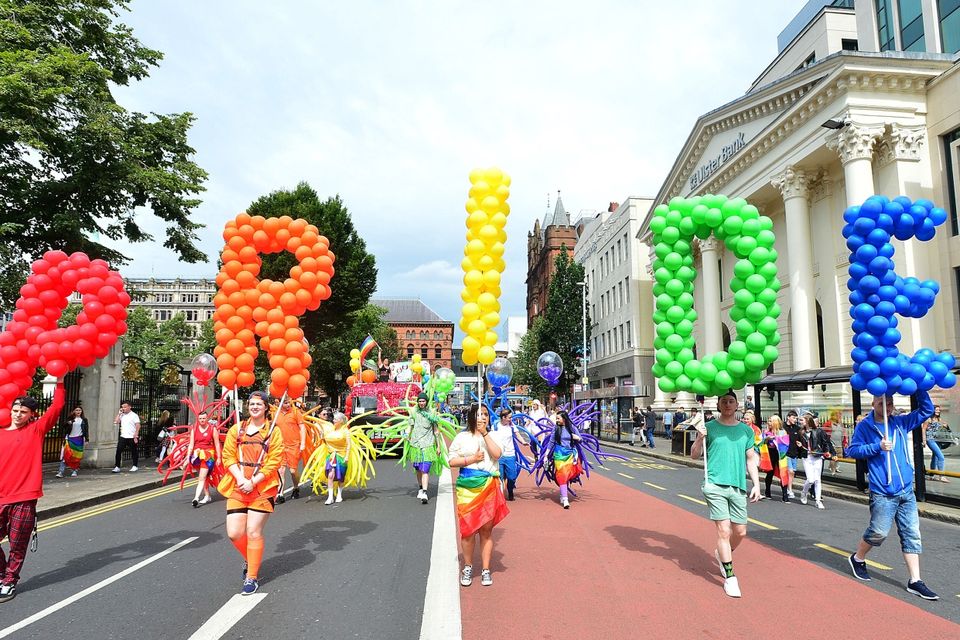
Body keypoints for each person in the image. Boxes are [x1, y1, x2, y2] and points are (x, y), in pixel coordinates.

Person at [846, 391, 938, 600]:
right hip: (883, 492)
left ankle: (915, 580)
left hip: (906, 489)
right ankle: (858, 558)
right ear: (873, 404)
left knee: (912, 534)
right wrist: (876, 447)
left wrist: (920, 389)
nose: (887, 407)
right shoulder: (865, 426)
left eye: (889, 403)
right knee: (878, 532)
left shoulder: (900, 422)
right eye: (882, 403)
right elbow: (852, 450)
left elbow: (926, 411)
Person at [690, 390, 761, 599]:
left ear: (737, 405)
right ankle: (730, 576)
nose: (728, 404)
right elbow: (694, 455)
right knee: (723, 530)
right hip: (714, 484)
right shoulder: (709, 428)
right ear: (719, 405)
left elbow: (750, 459)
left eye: (731, 401)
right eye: (724, 401)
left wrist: (756, 484)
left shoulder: (746, 432)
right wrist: (700, 437)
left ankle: (722, 555)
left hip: (737, 486)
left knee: (740, 532)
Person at [0, 379, 65, 603]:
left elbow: (56, 408)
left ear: (31, 415)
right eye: (15, 410)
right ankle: (2, 575)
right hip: (0, 497)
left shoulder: (35, 430)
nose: (18, 414)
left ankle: (9, 581)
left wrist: (60, 382)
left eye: (23, 411)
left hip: (25, 497)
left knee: (17, 544)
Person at [219, 391, 284, 596]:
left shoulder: (274, 432)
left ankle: (252, 577)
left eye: (258, 404)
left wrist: (253, 481)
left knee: (254, 532)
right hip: (238, 486)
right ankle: (250, 557)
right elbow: (228, 456)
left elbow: (274, 460)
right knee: (234, 533)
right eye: (251, 404)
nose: (254, 407)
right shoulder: (237, 430)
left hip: (262, 488)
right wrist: (240, 479)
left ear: (266, 407)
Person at [448, 404, 507, 587]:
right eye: (478, 414)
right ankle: (468, 566)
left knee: (486, 531)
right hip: (467, 488)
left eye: (485, 414)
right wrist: (471, 460)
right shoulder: (461, 437)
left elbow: (497, 455)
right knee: (467, 531)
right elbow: (451, 461)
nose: (482, 417)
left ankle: (486, 570)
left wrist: (485, 434)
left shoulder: (494, 435)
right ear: (471, 416)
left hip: (488, 487)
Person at [184, 411, 222, 507]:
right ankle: (207, 495)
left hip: (208, 456)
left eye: (204, 418)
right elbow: (191, 444)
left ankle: (196, 498)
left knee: (202, 477)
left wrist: (219, 457)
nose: (202, 420)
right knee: (204, 478)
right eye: (200, 418)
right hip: (196, 456)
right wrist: (188, 457)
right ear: (198, 419)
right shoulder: (194, 429)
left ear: (207, 418)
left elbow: (217, 444)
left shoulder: (212, 429)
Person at [796, 416, 835, 509]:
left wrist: (828, 452)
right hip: (807, 457)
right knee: (810, 479)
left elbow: (825, 442)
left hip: (817, 456)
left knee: (817, 479)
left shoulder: (819, 431)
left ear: (808, 422)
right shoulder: (801, 432)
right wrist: (800, 446)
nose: (800, 422)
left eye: (802, 420)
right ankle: (804, 492)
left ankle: (818, 501)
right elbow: (797, 445)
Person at [409, 393, 441, 504]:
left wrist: (438, 446)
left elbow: (436, 431)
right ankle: (421, 488)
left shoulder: (432, 414)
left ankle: (425, 493)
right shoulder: (414, 413)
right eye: (420, 401)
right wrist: (407, 436)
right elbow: (411, 427)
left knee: (425, 469)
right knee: (418, 469)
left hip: (427, 445)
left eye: (423, 401)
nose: (421, 403)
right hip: (415, 445)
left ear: (426, 402)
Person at [275, 396, 306, 504]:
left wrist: (302, 443)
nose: (288, 405)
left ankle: (296, 487)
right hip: (280, 446)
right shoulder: (275, 414)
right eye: (285, 403)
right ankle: (280, 494)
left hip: (294, 445)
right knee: (281, 470)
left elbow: (302, 427)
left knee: (293, 471)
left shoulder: (295, 412)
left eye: (288, 402)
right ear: (278, 403)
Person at [550, 411, 582, 509]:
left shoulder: (572, 428)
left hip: (570, 454)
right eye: (556, 418)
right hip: (559, 454)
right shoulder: (556, 428)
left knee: (567, 475)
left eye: (558, 418)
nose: (557, 420)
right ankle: (565, 499)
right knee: (562, 475)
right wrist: (546, 453)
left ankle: (562, 493)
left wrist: (577, 437)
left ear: (564, 418)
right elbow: (551, 441)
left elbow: (580, 439)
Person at [321, 412, 351, 504]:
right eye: (333, 419)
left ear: (341, 421)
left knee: (340, 476)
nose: (333, 421)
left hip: (341, 456)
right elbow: (326, 444)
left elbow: (349, 445)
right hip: (331, 456)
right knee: (330, 475)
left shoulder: (346, 431)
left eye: (335, 419)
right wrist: (322, 437)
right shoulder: (330, 431)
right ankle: (330, 497)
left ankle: (339, 494)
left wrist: (346, 456)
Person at [492, 407, 520, 501]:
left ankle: (510, 489)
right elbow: (491, 438)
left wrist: (523, 442)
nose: (511, 419)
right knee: (499, 476)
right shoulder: (495, 425)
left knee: (512, 477)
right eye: (509, 417)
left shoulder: (512, 425)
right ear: (503, 417)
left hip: (510, 454)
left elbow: (518, 434)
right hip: (499, 455)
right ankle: (500, 496)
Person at [759, 415, 789, 502]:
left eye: (770, 421)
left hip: (780, 454)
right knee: (770, 473)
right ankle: (767, 491)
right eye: (768, 421)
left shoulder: (782, 432)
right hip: (770, 453)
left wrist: (777, 439)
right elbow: (760, 443)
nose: (769, 423)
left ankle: (785, 495)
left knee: (783, 474)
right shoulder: (766, 432)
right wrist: (766, 439)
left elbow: (786, 443)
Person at [56, 406, 88, 478]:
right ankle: (61, 472)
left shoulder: (84, 420)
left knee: (76, 457)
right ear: (74, 411)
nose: (78, 411)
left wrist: (87, 440)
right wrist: (68, 423)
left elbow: (86, 430)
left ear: (81, 411)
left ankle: (74, 470)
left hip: (79, 440)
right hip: (69, 439)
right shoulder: (70, 419)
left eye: (80, 410)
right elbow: (63, 426)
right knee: (65, 455)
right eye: (76, 410)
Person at [112, 401, 141, 473]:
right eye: (122, 407)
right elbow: (116, 422)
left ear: (129, 407)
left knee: (134, 451)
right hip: (123, 436)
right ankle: (117, 466)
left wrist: (136, 433)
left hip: (132, 436)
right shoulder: (122, 415)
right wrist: (119, 414)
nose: (123, 408)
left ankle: (135, 466)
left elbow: (138, 425)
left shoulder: (134, 415)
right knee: (118, 451)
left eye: (125, 407)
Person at [923, 406, 948, 483]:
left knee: (935, 457)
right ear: (932, 410)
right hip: (930, 440)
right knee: (941, 457)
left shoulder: (939, 419)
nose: (938, 411)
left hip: (938, 440)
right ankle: (942, 476)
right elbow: (923, 429)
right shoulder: (928, 419)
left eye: (939, 410)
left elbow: (940, 429)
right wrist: (924, 440)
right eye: (936, 410)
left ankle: (931, 475)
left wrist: (945, 426)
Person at [783, 409, 801, 499]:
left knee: (792, 472)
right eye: (793, 418)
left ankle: (788, 487)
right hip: (786, 453)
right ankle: (789, 489)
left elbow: (801, 438)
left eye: (796, 418)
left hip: (794, 453)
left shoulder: (797, 428)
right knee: (790, 472)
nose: (795, 420)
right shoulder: (783, 427)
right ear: (788, 417)